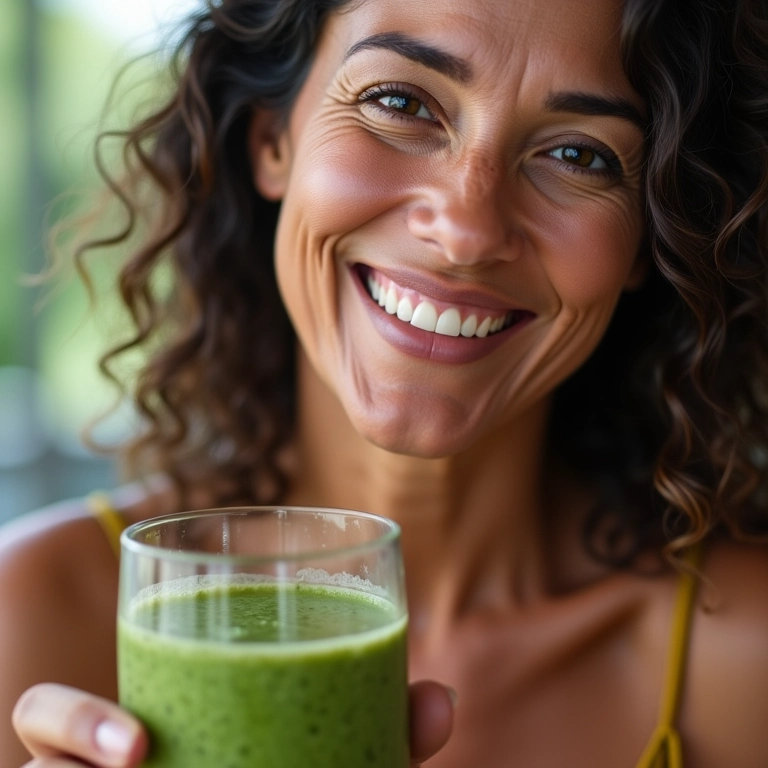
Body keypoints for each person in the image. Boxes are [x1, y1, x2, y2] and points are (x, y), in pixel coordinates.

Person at [3, 0, 768, 765]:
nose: (466, 230)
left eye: (578, 155)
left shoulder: (744, 664)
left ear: (649, 235)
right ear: (273, 138)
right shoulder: (32, 617)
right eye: (400, 104)